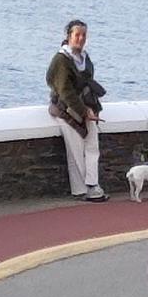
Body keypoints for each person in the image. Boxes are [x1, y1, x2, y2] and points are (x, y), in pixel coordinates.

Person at [47, 19, 108, 202]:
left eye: (83, 35)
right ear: (68, 37)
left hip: (86, 108)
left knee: (92, 147)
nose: (80, 39)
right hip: (66, 111)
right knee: (75, 150)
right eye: (77, 35)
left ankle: (92, 184)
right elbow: (65, 91)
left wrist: (92, 108)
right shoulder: (61, 60)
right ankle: (82, 189)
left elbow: (87, 83)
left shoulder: (84, 58)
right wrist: (83, 110)